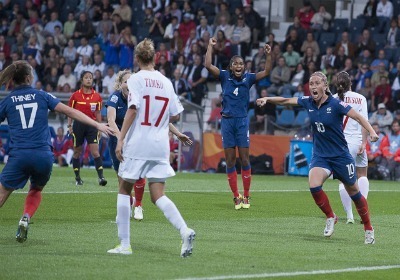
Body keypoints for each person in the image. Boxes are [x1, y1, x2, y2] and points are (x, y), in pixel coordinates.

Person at [256, 71, 379, 244]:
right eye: (311, 83)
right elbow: (285, 100)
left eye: (316, 83)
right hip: (321, 155)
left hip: (340, 156)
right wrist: (268, 98)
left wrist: (372, 132)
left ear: (325, 86)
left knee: (354, 193)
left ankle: (368, 228)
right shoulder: (308, 102)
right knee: (314, 185)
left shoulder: (336, 104)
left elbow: (358, 117)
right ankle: (331, 216)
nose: (313, 86)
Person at [0, 61, 113, 243]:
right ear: (29, 78)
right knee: (36, 188)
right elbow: (71, 111)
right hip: (43, 156)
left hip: (19, 155)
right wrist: (97, 123)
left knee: (3, 192)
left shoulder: (7, 101)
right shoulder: (43, 95)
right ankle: (26, 217)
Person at [107, 38, 195, 256]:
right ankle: (184, 230)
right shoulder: (166, 82)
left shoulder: (135, 80)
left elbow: (133, 109)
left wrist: (120, 139)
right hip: (159, 145)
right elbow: (175, 113)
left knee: (124, 188)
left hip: (139, 143)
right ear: (155, 57)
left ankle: (125, 244)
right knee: (157, 195)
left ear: (137, 58)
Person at [106, 70, 193, 221]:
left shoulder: (140, 97)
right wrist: (121, 139)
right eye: (126, 81)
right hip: (118, 140)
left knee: (139, 175)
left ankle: (138, 206)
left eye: (131, 81)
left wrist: (178, 134)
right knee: (122, 180)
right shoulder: (115, 97)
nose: (129, 84)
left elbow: (156, 118)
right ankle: (130, 203)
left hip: (136, 140)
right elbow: (111, 120)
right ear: (120, 85)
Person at [205, 37, 272, 210]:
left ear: (244, 66)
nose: (239, 66)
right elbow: (208, 66)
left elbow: (266, 72)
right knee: (229, 161)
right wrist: (210, 47)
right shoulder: (224, 76)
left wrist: (268, 55)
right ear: (231, 66)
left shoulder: (248, 78)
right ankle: (236, 196)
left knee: (244, 159)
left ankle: (247, 195)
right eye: (236, 64)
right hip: (227, 122)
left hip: (242, 122)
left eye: (241, 64)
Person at [333, 71, 370, 224]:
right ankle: (363, 209)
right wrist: (363, 143)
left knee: (343, 181)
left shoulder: (332, 99)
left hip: (341, 143)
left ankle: (349, 216)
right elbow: (364, 122)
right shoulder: (361, 98)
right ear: (351, 83)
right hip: (357, 141)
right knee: (362, 174)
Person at [67, 71, 107, 186]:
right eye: (86, 77)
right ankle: (78, 178)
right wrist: (69, 126)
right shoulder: (75, 96)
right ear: (82, 80)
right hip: (78, 125)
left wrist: (100, 128)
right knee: (77, 152)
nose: (89, 79)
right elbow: (70, 112)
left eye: (90, 77)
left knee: (95, 152)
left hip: (92, 126)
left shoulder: (97, 97)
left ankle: (101, 178)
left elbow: (98, 113)